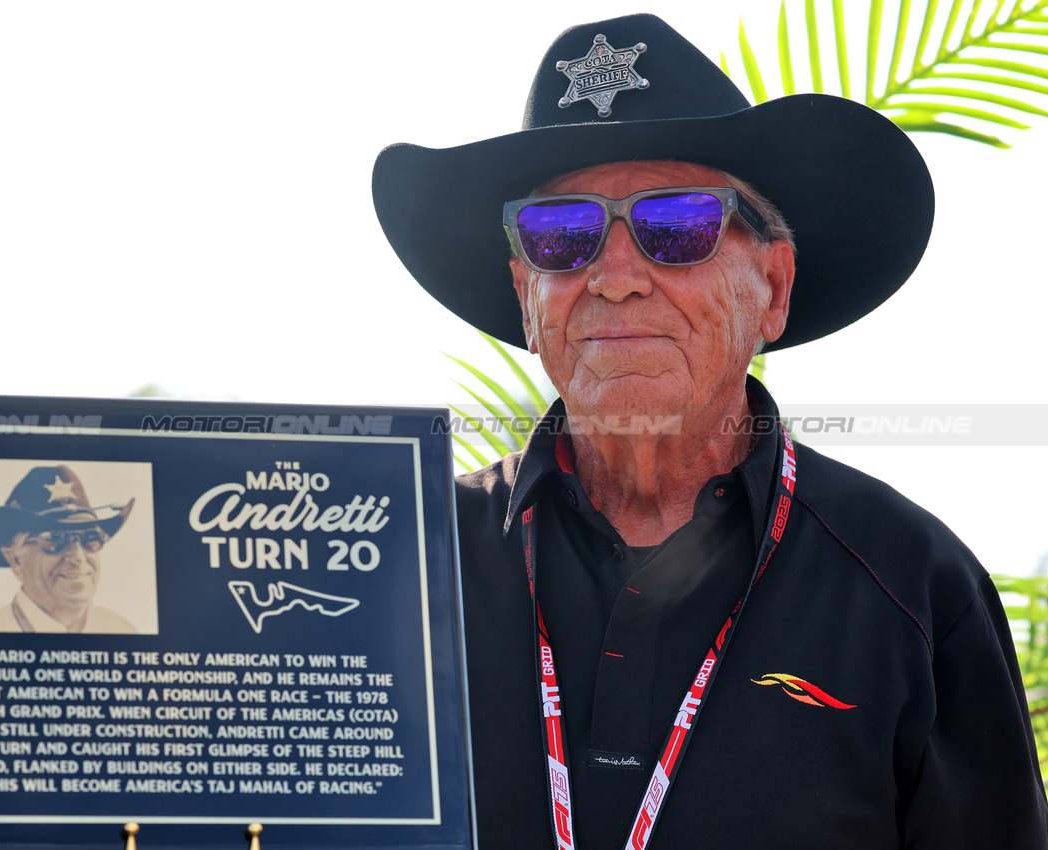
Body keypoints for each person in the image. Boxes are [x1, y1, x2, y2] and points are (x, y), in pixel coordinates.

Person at [373, 13, 1048, 850]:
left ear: (771, 284)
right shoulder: (393, 568)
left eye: (678, 224)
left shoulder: (909, 583)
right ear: (525, 291)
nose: (613, 278)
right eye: (561, 235)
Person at [0, 464, 137, 634]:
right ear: (15, 560)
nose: (78, 557)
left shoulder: (123, 632)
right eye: (55, 540)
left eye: (90, 539)